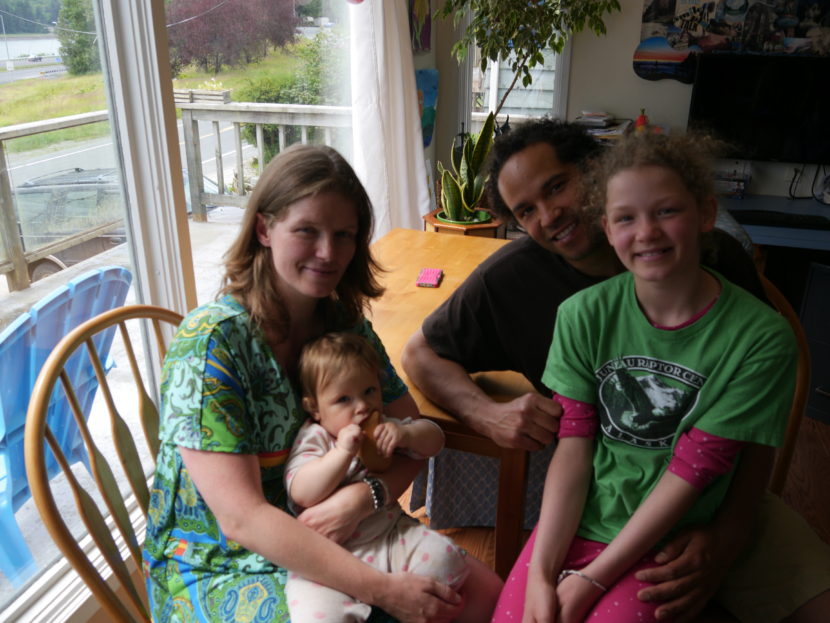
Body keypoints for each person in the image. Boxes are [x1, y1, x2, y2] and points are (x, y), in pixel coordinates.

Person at [402, 118, 830, 623]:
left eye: (557, 186)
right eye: (526, 211)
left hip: (723, 492)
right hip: (602, 494)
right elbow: (419, 354)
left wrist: (726, 539)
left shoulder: (718, 263)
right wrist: (485, 415)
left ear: (595, 172)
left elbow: (754, 437)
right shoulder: (526, 286)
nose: (549, 215)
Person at [142, 143, 499, 623]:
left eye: (344, 235)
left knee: (489, 595)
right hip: (223, 562)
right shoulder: (211, 345)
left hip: (346, 530)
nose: (329, 253)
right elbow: (242, 518)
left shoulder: (344, 324)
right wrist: (386, 591)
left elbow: (411, 432)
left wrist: (361, 498)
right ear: (265, 229)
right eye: (307, 231)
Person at [491, 131, 797, 622]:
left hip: (665, 538)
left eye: (667, 211)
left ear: (705, 214)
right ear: (607, 230)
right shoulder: (580, 315)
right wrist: (544, 574)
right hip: (576, 524)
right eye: (626, 218)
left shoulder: (762, 338)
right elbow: (574, 447)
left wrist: (591, 580)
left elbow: (695, 470)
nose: (647, 232)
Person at [284, 332, 498, 622]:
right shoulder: (318, 439)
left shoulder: (384, 427)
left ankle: (402, 602)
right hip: (327, 557)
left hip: (388, 534)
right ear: (315, 409)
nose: (362, 406)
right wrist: (342, 453)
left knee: (445, 558)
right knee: (315, 616)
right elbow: (302, 492)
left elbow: (435, 440)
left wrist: (407, 434)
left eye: (370, 391)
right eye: (343, 399)